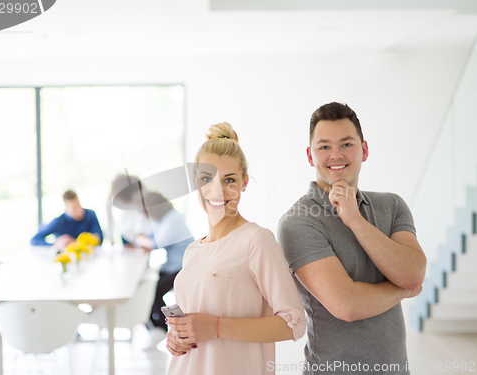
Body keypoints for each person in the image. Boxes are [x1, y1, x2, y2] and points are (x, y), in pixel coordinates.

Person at [277, 102, 427, 374]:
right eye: (324, 147)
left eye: (346, 144)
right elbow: (347, 306)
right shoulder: (297, 222)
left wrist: (355, 220)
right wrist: (404, 289)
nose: (336, 155)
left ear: (364, 150)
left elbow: (414, 272)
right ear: (310, 156)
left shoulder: (392, 206)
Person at [166, 122, 305, 375]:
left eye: (229, 180)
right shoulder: (192, 251)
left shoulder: (257, 240)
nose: (217, 190)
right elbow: (195, 322)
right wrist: (176, 337)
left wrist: (218, 327)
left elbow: (293, 323)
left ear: (244, 183)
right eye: (206, 178)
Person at [109, 174, 194, 346]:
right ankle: (157, 329)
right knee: (146, 289)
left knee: (153, 292)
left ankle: (166, 329)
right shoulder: (162, 219)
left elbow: (155, 242)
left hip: (184, 267)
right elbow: (148, 237)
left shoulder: (173, 219)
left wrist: (141, 240)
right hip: (172, 266)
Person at [30, 190, 103, 248]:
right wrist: (55, 244)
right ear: (66, 208)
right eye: (74, 209)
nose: (79, 211)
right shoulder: (58, 222)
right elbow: (34, 240)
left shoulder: (90, 215)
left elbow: (99, 239)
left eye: (79, 205)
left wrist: (74, 242)